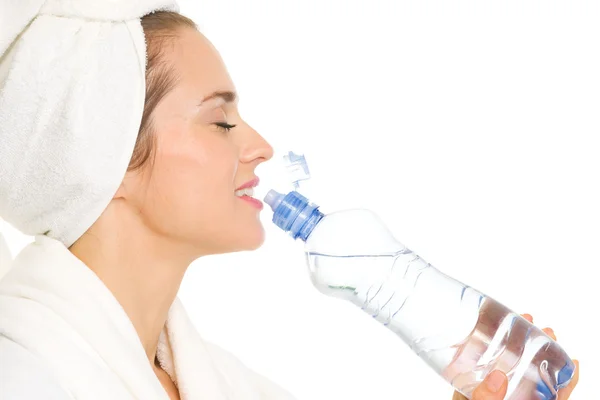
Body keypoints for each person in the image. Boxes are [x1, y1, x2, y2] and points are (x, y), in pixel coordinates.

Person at [0, 2, 579, 399]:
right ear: (106, 152)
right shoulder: (23, 377)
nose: (260, 146)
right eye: (221, 120)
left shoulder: (218, 381)